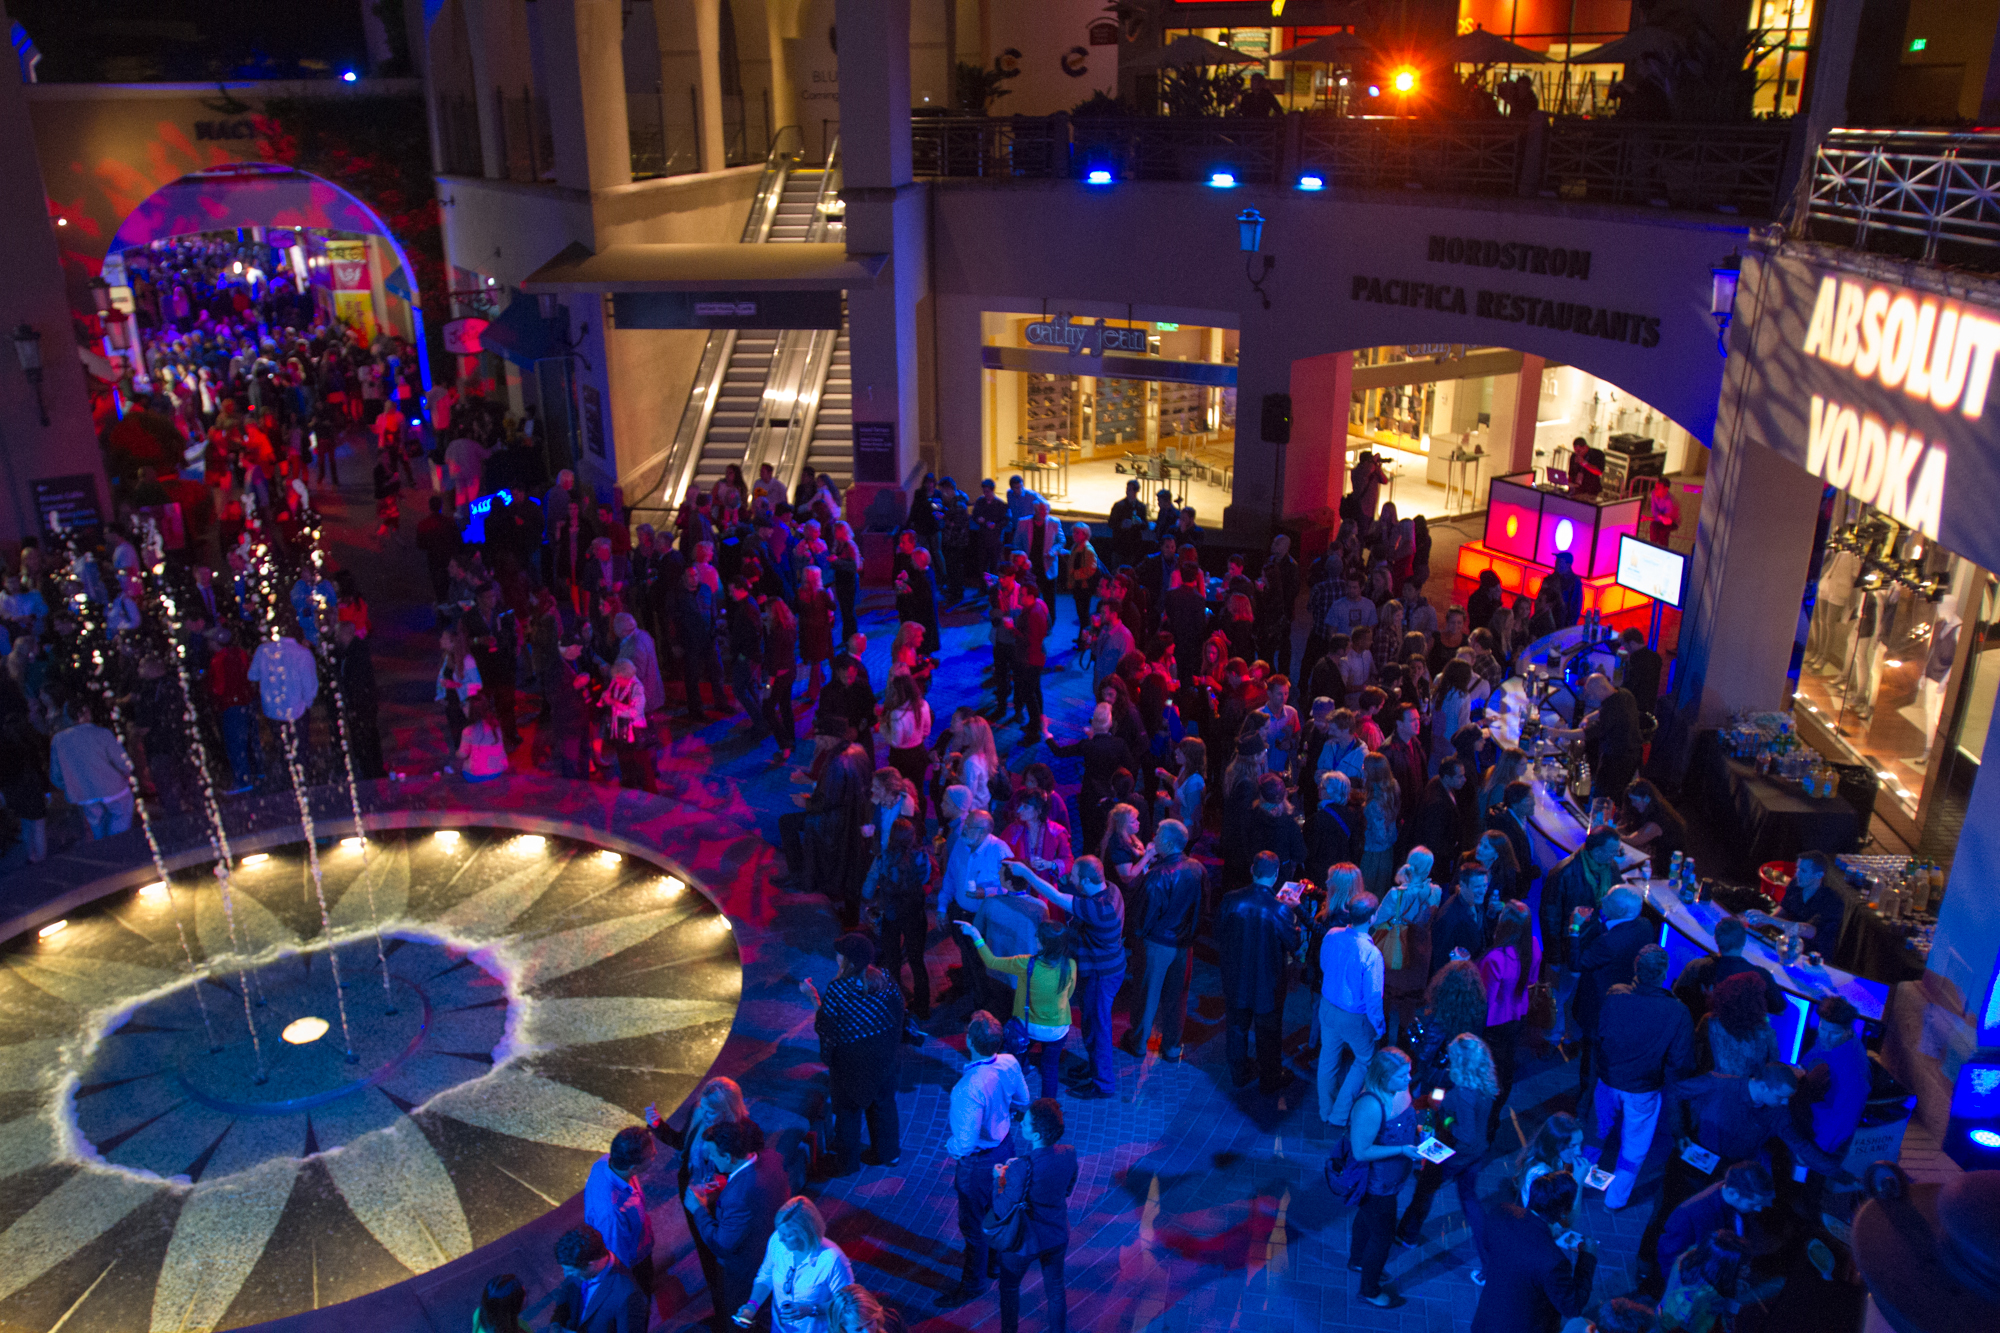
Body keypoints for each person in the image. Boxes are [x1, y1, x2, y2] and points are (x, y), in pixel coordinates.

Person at [1012, 855, 1124, 1099]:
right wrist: (1051, 866)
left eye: (1074, 877)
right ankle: (1095, 1069)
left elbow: (1056, 897)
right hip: (1105, 969)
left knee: (1098, 1027)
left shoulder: (1099, 909)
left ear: (1086, 881)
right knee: (1093, 1025)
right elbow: (1070, 891)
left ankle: (1103, 1084)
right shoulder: (1111, 890)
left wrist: (1026, 873)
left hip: (1100, 975)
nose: (1070, 880)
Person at [1593, 944, 1695, 1209]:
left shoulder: (1615, 996)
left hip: (1608, 1080)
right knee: (1634, 1148)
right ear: (1664, 973)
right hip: (1644, 1089)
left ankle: (1580, 1183)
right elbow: (1680, 1062)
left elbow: (1600, 1037)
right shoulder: (1678, 1012)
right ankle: (1615, 1199)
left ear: (1636, 966)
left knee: (1596, 1134)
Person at [943, 1011, 1032, 1306]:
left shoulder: (967, 1088)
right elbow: (1023, 1100)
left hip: (978, 1164)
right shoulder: (1009, 1063)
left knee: (974, 1228)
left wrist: (950, 1146)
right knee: (999, 1211)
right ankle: (994, 1266)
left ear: (969, 1040)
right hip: (1006, 1149)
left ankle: (973, 1285)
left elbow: (964, 1144)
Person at [803, 934, 906, 1174]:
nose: (836, 957)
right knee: (884, 1104)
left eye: (839, 954)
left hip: (851, 1063)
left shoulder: (838, 989)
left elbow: (827, 1025)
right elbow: (898, 1012)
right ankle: (888, 1154)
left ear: (848, 960)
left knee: (848, 1112)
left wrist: (812, 996)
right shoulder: (885, 978)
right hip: (883, 1057)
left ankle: (847, 1164)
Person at [1397, 1033, 1499, 1274]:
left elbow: (1465, 1133)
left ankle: (1407, 1235)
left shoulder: (1464, 1094)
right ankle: (1488, 1259)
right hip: (1476, 1152)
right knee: (1469, 1199)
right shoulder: (1484, 1084)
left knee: (1425, 1189)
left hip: (1451, 1150)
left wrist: (1446, 1116)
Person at [686, 1118, 791, 1326]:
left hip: (745, 1270)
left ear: (728, 1156)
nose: (711, 1159)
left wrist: (698, 1209)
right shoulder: (771, 1158)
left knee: (741, 1318)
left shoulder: (738, 1197)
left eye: (713, 1155)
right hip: (770, 1249)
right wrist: (729, 1183)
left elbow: (722, 1245)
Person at [1217, 851, 1305, 1095]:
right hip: (1268, 982)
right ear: (1276, 875)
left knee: (1236, 1028)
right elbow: (1293, 943)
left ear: (1252, 870)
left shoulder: (1231, 899)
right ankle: (1269, 1078)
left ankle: (1239, 1074)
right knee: (1268, 1032)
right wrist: (1296, 924)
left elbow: (1219, 933)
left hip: (1236, 977)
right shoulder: (1279, 909)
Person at [962, 917, 1075, 1101]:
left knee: (1017, 1062)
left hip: (1029, 1027)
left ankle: (1016, 1098)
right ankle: (1047, 1108)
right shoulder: (1070, 966)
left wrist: (975, 935)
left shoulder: (1026, 963)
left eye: (1038, 937)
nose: (1035, 939)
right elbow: (1068, 994)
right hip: (1057, 1029)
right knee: (1050, 1069)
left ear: (1044, 944)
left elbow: (991, 961)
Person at [1121, 819, 1205, 1063]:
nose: (1153, 837)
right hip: (1184, 944)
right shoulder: (1198, 869)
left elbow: (1144, 916)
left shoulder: (1158, 875)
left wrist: (1134, 940)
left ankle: (1139, 1043)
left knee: (1147, 996)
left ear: (1167, 843)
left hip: (1157, 944)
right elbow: (1202, 906)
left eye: (1157, 834)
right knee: (1177, 998)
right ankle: (1171, 1047)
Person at [993, 1097, 1080, 1333]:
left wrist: (999, 1180)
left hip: (1024, 1241)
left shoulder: (1021, 1167)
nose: (1021, 1123)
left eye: (1026, 1122)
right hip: (1057, 1234)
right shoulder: (1069, 1153)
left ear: (1037, 1135)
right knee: (1056, 1290)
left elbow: (1001, 1209)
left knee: (1009, 1288)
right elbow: (1067, 1190)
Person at [1470, 1171, 1596, 1333]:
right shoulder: (1553, 1261)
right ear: (1564, 1211)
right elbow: (1572, 1306)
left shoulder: (1501, 1212)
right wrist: (1588, 1257)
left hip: (1487, 1319)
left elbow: (1489, 1248)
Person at [1348, 1046, 1422, 1308]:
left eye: (1409, 1073)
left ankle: (1358, 1261)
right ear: (1384, 1077)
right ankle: (1369, 1290)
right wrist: (1402, 1149)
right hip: (1377, 1185)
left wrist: (1418, 1132)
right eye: (1402, 1075)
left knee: (1366, 1219)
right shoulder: (1370, 1105)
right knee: (1383, 1237)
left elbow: (1401, 1123)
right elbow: (1361, 1151)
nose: (1409, 1079)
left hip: (1393, 1178)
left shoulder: (1399, 1089)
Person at [1573, 885, 1653, 1120]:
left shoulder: (1608, 943)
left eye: (1607, 899)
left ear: (1619, 910)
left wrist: (1574, 927)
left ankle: (1584, 1110)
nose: (1602, 900)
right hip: (1625, 1007)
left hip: (1599, 1008)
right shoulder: (1644, 926)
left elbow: (1577, 962)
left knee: (1591, 1061)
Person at [1540, 825, 1623, 1044]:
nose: (1616, 855)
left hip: (1591, 947)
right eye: (1612, 851)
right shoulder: (1563, 873)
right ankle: (1551, 1039)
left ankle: (1570, 1036)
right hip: (1567, 949)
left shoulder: (1610, 868)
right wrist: (1554, 958)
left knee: (1579, 996)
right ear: (1597, 850)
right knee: (1558, 996)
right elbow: (1550, 918)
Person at [1317, 887, 1385, 1126]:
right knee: (1365, 1059)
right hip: (1353, 1017)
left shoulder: (1332, 935)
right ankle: (1340, 1114)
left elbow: (1324, 965)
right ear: (1373, 917)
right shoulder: (1372, 954)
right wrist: (1379, 1027)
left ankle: (1325, 1110)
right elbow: (1374, 997)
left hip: (1327, 1006)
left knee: (1328, 1057)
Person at [738, 1197, 855, 1333]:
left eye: (788, 1235)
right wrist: (752, 1306)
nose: (780, 1239)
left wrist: (812, 1309)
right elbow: (766, 1275)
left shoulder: (832, 1259)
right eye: (780, 1232)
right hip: (779, 1328)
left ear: (805, 1233)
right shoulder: (777, 1240)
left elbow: (848, 1305)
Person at [863, 818, 934, 1017]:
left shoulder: (882, 859)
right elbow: (925, 879)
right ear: (912, 837)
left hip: (891, 915)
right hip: (915, 915)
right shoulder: (922, 857)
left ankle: (894, 1004)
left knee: (892, 961)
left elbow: (868, 887)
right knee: (916, 961)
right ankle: (922, 1007)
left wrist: (870, 898)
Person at [1658, 1162, 1779, 1273]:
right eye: (1753, 1204)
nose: (1759, 1209)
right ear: (1732, 1193)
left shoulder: (1736, 1194)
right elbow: (1670, 1263)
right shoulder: (1688, 1216)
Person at [49, 698, 136, 840]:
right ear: (84, 713)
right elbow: (123, 764)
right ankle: (117, 846)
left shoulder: (58, 740)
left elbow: (56, 776)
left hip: (85, 795)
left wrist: (73, 785)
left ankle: (103, 848)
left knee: (97, 827)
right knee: (120, 817)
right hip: (113, 789)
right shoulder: (102, 734)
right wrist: (127, 776)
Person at [584, 1126, 657, 1291]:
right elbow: (618, 1259)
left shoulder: (605, 1162)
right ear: (633, 1168)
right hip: (636, 1264)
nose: (656, 1153)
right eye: (651, 1155)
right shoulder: (612, 1213)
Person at [1799, 995, 1868, 1156]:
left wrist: (1813, 1153)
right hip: (1809, 1119)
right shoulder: (1829, 1040)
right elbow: (1808, 1063)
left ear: (1848, 1031)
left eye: (1833, 1033)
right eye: (1822, 1029)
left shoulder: (1854, 1070)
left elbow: (1844, 1121)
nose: (1825, 1037)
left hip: (1818, 1140)